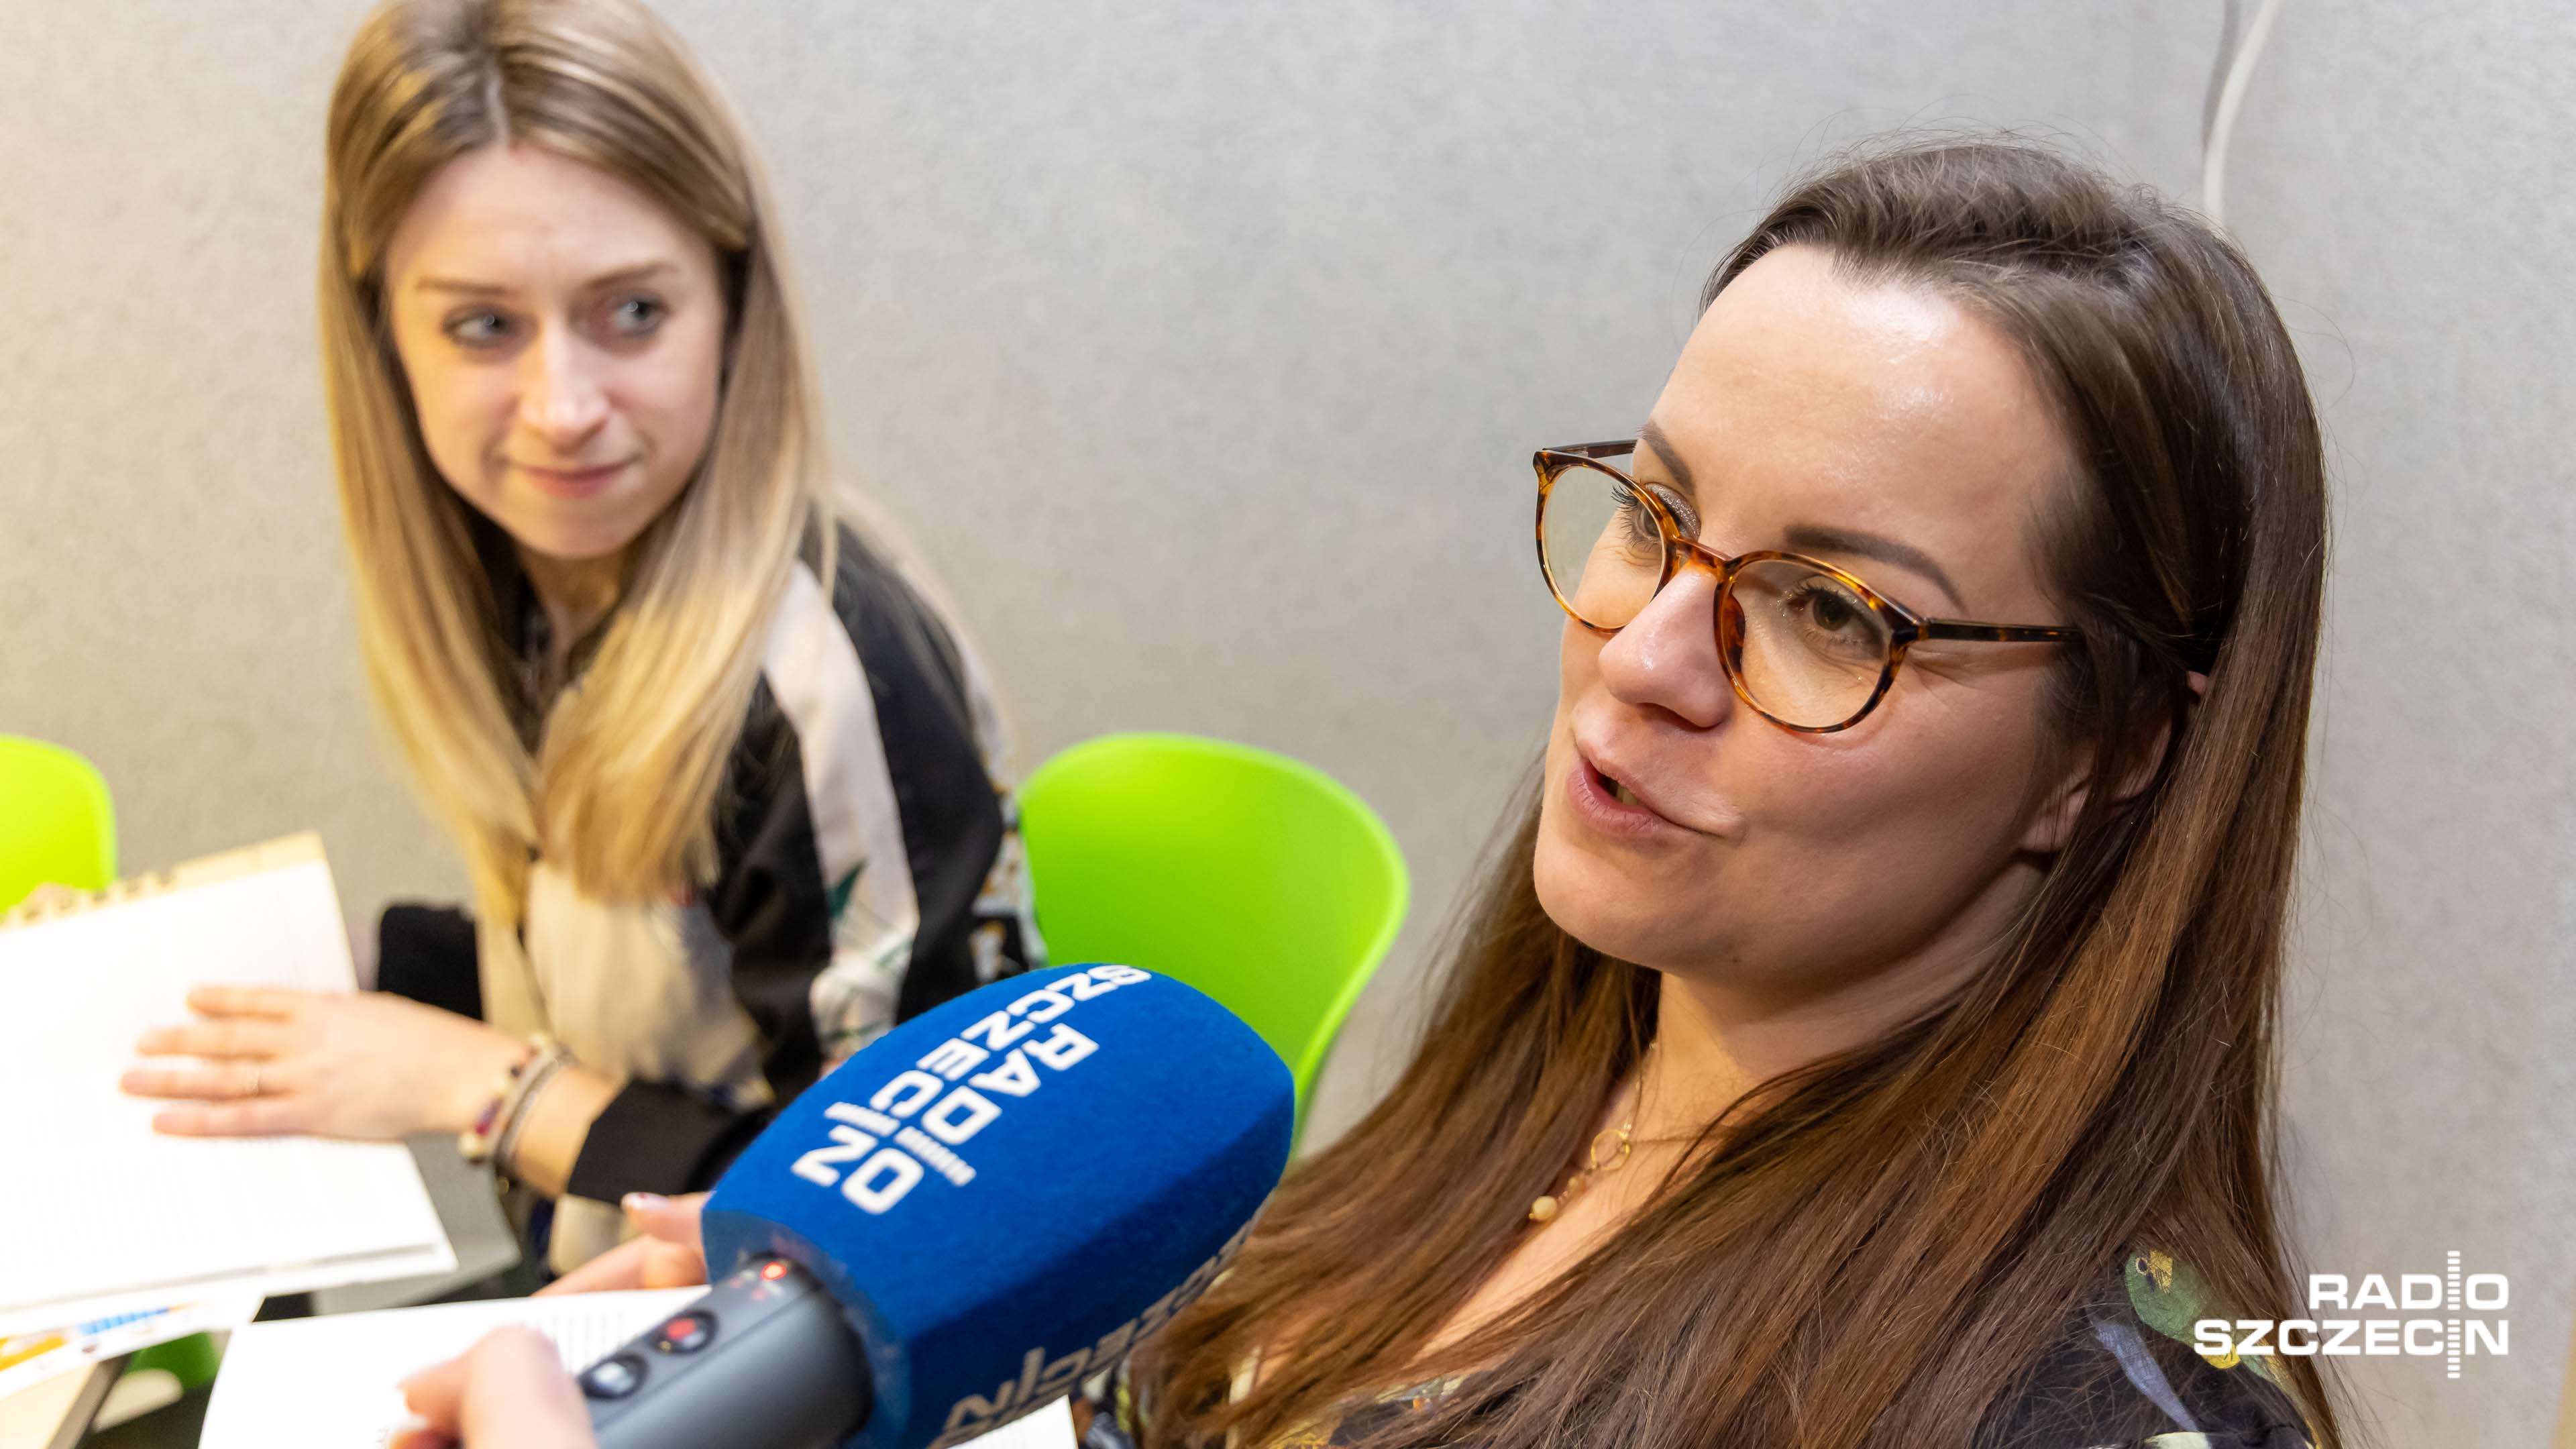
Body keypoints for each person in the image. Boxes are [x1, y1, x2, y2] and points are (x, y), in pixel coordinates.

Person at [401, 136, 2350, 1449]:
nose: (1643, 656)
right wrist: (893, 1360)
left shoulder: (2089, 1412)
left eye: (1831, 612)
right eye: (1655, 515)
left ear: (2108, 753)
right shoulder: (1571, 1081)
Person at [119, 0, 1042, 1274]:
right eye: (484, 326)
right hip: (598, 1294)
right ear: (384, 336)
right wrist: (349, 967)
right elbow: (651, 980)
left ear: (733, 304)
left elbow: (900, 1224)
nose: (562, 408)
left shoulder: (819, 683)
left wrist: (482, 1085)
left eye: (634, 312)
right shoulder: (538, 569)